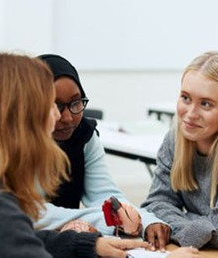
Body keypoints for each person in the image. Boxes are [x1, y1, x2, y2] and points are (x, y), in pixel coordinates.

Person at [0, 52, 196, 258]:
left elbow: (14, 240)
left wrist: (88, 245)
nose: (61, 118)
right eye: (49, 107)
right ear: (19, 119)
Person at [35, 54, 168, 249]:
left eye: (75, 103)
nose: (68, 117)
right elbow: (32, 213)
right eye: (56, 105)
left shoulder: (84, 135)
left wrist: (145, 220)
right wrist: (106, 218)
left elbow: (105, 194)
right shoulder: (17, 143)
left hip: (68, 244)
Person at [141, 51, 218, 253]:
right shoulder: (176, 138)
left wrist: (173, 223)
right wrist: (206, 225)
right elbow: (154, 204)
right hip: (200, 251)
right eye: (185, 98)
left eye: (205, 104)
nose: (190, 114)